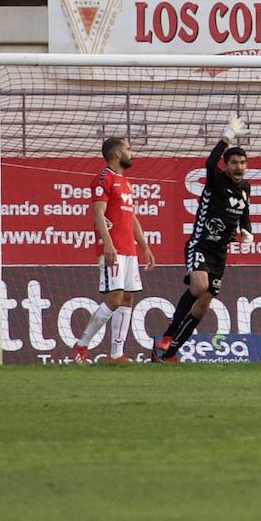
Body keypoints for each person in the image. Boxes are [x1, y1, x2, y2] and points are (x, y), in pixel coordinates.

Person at [152, 115, 252, 362]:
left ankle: (167, 354)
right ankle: (168, 334)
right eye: (234, 163)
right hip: (201, 244)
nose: (238, 167)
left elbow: (244, 211)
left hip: (220, 253)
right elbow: (209, 163)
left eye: (242, 163)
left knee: (203, 304)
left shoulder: (246, 188)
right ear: (226, 165)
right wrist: (226, 137)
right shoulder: (216, 180)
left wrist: (246, 230)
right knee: (198, 286)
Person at [71, 137, 155, 363]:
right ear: (118, 153)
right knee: (114, 299)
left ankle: (116, 355)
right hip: (113, 248)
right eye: (128, 149)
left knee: (127, 298)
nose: (132, 152)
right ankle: (81, 345)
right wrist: (107, 243)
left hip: (129, 250)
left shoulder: (125, 182)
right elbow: (98, 213)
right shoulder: (103, 179)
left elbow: (132, 217)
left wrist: (144, 246)